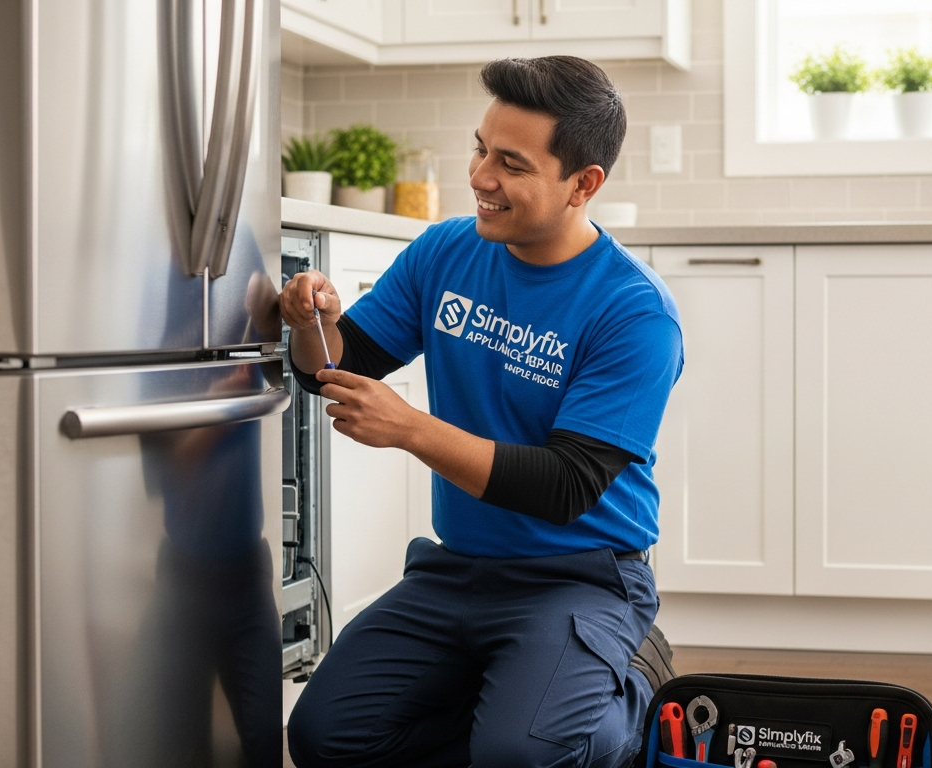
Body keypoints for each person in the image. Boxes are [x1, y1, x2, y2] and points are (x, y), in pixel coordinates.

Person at [282, 56, 684, 768]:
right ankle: (523, 707)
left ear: (582, 184)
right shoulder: (446, 250)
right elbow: (335, 372)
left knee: (521, 757)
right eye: (479, 148)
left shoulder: (634, 312)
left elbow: (565, 487)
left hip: (579, 576)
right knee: (323, 738)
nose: (479, 177)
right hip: (458, 571)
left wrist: (411, 429)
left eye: (511, 163)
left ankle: (625, 685)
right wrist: (312, 322)